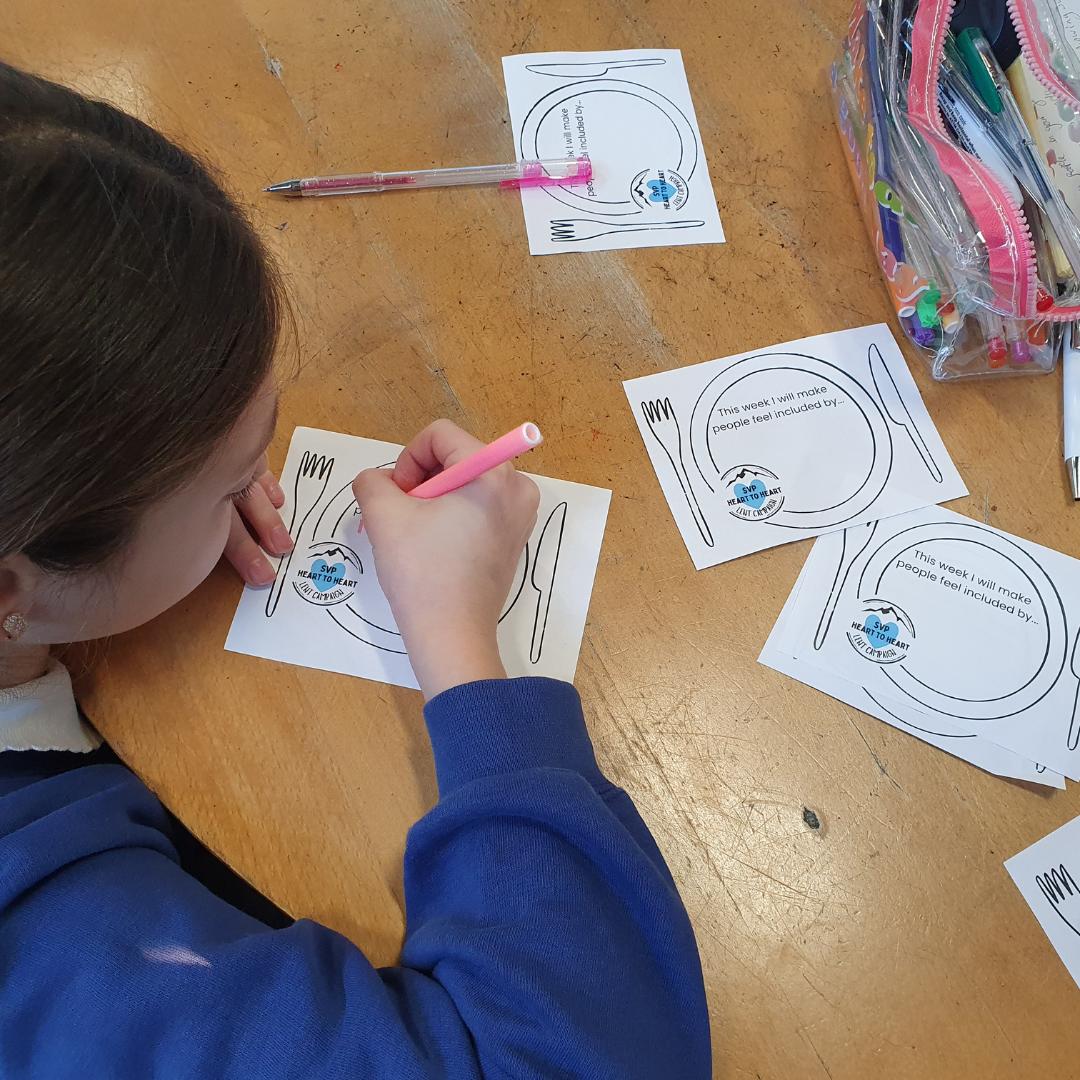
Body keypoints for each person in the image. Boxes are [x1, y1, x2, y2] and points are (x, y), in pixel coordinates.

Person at [0, 60, 711, 1078]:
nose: (267, 483)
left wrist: (167, 477)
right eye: (237, 475)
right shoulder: (54, 963)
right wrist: (460, 641)